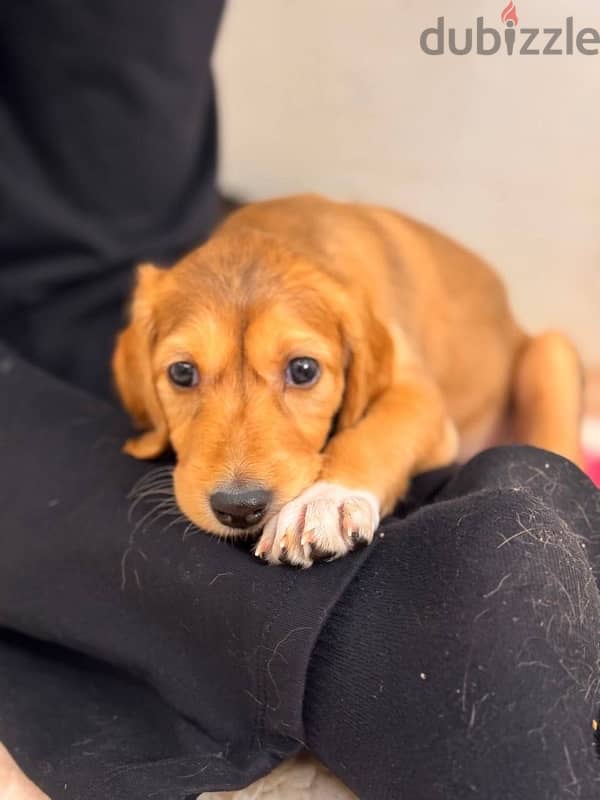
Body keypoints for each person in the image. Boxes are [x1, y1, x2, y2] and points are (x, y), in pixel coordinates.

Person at [1, 3, 599, 799]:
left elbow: (424, 415)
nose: (238, 471)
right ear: (145, 374)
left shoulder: (358, 301)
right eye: (185, 377)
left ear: (351, 364)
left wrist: (346, 476)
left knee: (554, 362)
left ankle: (554, 527)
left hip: (493, 413)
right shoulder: (167, 304)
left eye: (302, 373)